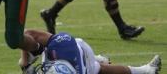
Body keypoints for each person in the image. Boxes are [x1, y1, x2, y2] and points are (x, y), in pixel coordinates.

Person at [19, 29, 161, 74]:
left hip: (79, 51)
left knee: (100, 67)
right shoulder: (63, 45)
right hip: (83, 59)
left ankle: (145, 70)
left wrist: (25, 64)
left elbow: (27, 33)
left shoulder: (62, 44)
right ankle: (145, 70)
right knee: (101, 68)